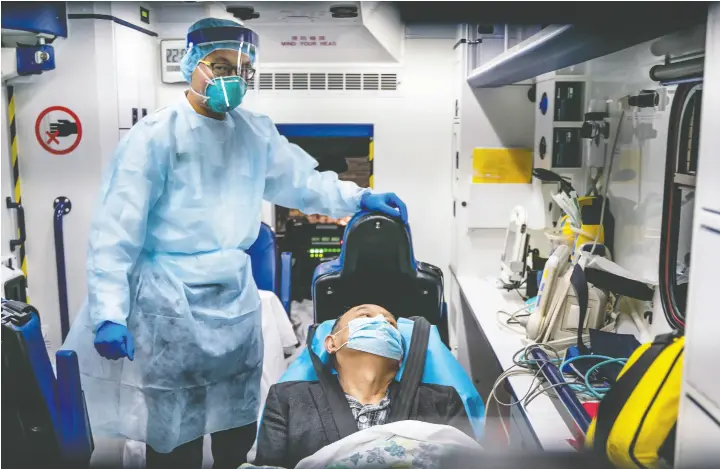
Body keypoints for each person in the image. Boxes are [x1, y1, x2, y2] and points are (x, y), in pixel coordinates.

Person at [61, 17, 407, 469]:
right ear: (190, 64)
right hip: (170, 300)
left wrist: (359, 196)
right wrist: (109, 310)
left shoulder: (254, 131)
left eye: (242, 69)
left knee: (237, 423)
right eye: (220, 64)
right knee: (174, 433)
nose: (232, 78)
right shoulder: (155, 136)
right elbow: (115, 231)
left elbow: (302, 183)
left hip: (233, 298)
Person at [254, 305, 472, 469]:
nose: (380, 322)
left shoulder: (442, 401)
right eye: (365, 316)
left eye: (391, 324)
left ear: (399, 355)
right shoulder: (287, 399)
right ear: (331, 343)